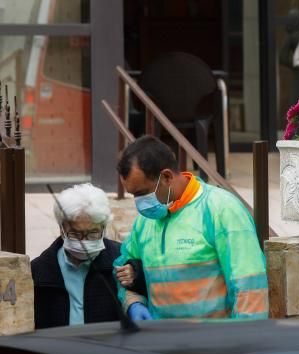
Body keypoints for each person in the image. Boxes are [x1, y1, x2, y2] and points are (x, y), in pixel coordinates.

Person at [114, 135, 268, 321]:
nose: (139, 203)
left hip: (215, 345)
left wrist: (244, 341)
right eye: (133, 195)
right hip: (160, 344)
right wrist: (133, 303)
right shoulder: (145, 222)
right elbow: (123, 271)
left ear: (167, 177)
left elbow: (249, 286)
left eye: (142, 193)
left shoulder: (221, 209)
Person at [32, 184, 145, 329]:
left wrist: (137, 275)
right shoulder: (39, 271)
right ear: (62, 229)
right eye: (76, 234)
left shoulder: (120, 259)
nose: (84, 241)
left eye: (93, 233)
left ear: (103, 228)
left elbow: (148, 285)